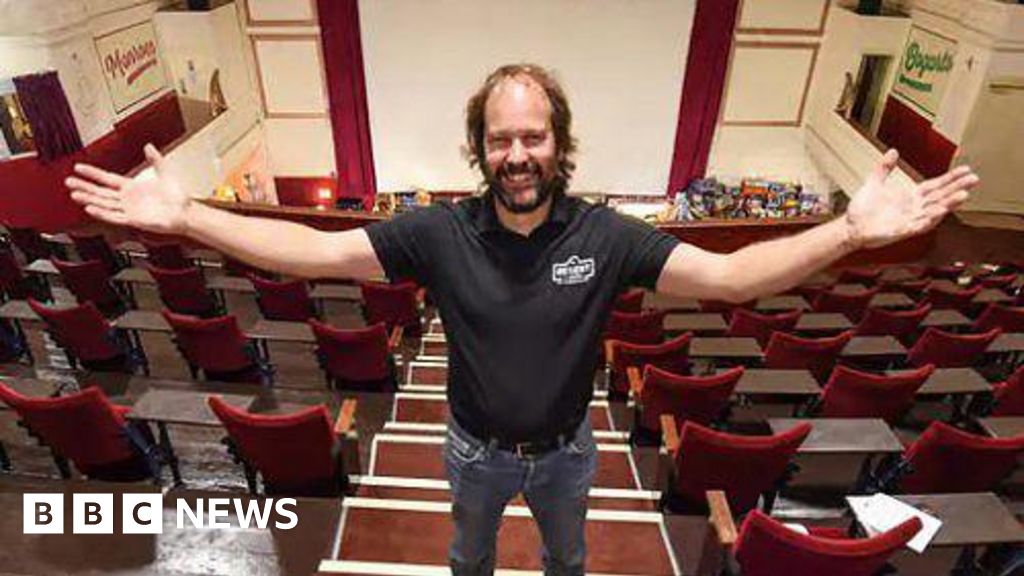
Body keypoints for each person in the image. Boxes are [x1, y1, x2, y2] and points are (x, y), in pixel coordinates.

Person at [67, 63, 977, 575]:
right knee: (467, 561)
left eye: (532, 137)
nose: (516, 155)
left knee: (568, 561)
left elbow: (734, 277)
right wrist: (186, 217)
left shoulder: (608, 236)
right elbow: (310, 253)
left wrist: (852, 231)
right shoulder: (436, 232)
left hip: (569, 451)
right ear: (481, 148)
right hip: (468, 449)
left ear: (559, 143)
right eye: (500, 139)